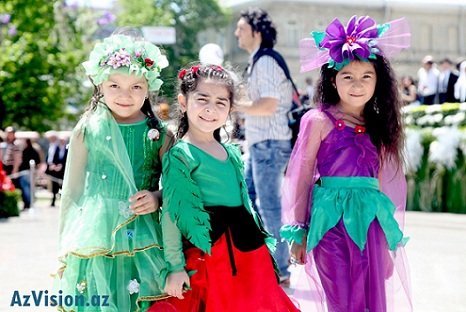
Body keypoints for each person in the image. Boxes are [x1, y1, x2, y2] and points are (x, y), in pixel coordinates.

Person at [281, 16, 412, 311]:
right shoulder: (317, 120)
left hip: (371, 223)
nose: (357, 84)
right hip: (330, 222)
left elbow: (381, 182)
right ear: (332, 80)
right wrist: (298, 231)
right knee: (341, 300)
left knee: (371, 299)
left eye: (366, 76)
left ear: (378, 82)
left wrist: (387, 244)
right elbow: (300, 178)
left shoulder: (380, 124)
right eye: (348, 77)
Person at [154, 63, 300, 311]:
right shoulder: (180, 155)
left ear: (230, 109)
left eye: (221, 102)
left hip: (250, 254)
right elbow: (171, 215)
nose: (211, 109)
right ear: (183, 101)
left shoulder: (231, 153)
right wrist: (176, 267)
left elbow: (245, 204)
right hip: (212, 257)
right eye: (203, 99)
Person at [53, 32, 173, 312]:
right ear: (100, 84)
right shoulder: (87, 129)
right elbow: (71, 190)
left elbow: (177, 187)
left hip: (144, 237)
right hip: (94, 239)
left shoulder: (159, 134)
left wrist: (157, 196)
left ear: (149, 87)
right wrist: (62, 248)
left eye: (135, 87)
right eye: (115, 85)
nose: (124, 95)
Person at [234, 7, 293, 285]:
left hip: (269, 143)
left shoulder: (266, 61)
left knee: (269, 207)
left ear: (257, 32)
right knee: (249, 201)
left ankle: (280, 269)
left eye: (241, 28)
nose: (237, 33)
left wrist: (234, 106)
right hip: (261, 143)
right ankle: (266, 261)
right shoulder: (257, 61)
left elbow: (268, 105)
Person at [18, 138, 41, 209]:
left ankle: (29, 202)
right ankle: (29, 202)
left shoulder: (26, 151)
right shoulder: (33, 151)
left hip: (27, 172)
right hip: (28, 172)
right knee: (29, 188)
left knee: (27, 188)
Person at [45, 134, 68, 207]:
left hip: (63, 171)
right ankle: (53, 200)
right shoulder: (56, 148)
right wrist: (54, 165)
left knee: (63, 186)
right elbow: (51, 158)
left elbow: (67, 160)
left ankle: (63, 201)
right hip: (55, 171)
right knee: (54, 186)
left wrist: (61, 166)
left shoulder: (67, 149)